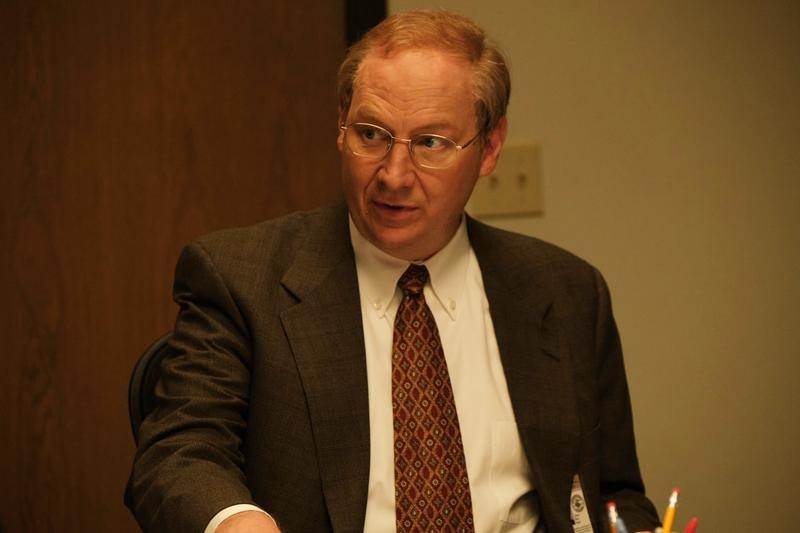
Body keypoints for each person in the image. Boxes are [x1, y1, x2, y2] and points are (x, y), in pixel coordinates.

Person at [126, 9, 660, 533]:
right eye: (372, 134)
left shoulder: (567, 293)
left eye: (431, 143)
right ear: (341, 127)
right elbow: (179, 456)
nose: (394, 175)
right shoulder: (241, 278)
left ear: (490, 148)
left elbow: (615, 496)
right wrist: (238, 524)